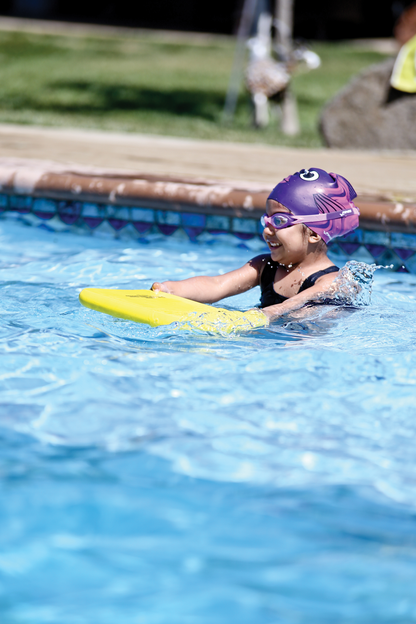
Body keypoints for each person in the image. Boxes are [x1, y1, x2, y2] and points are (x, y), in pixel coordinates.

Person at [151, 168, 360, 322]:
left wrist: (263, 315)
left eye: (279, 221)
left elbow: (292, 306)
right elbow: (217, 285)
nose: (267, 230)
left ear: (314, 233)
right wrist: (172, 289)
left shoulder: (333, 281)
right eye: (266, 220)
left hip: (307, 344)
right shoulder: (264, 266)